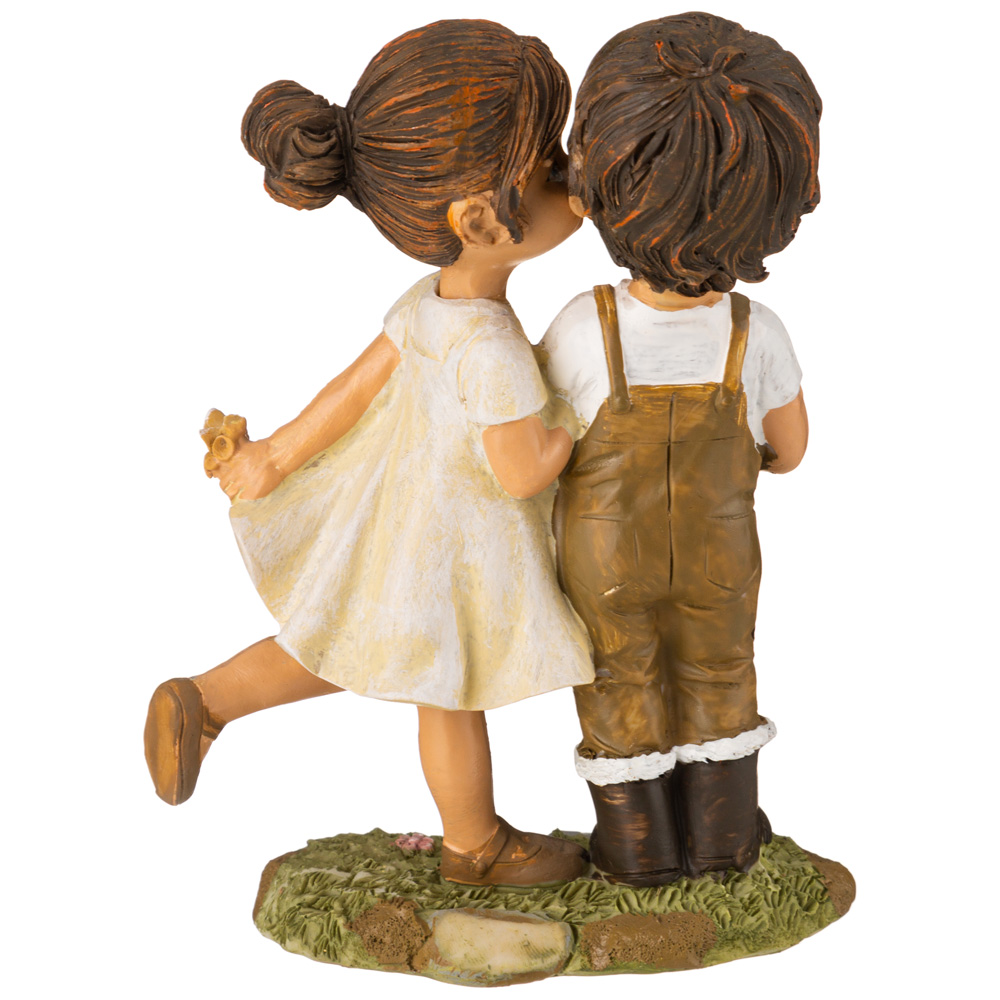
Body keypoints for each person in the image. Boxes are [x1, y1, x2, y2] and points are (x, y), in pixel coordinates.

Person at [144, 19, 594, 887]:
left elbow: (352, 390)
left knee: (342, 638)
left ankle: (206, 701)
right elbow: (520, 470)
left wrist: (276, 456)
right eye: (549, 167)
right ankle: (474, 845)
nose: (571, 179)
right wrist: (576, 417)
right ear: (478, 218)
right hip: (452, 549)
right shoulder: (492, 347)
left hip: (396, 518)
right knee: (447, 690)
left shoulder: (429, 300)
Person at [538, 12, 820, 885]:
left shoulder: (582, 327)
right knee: (721, 671)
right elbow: (793, 447)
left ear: (595, 184)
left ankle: (638, 849)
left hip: (603, 557)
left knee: (617, 680)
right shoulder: (756, 331)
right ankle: (724, 840)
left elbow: (545, 441)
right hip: (719, 550)